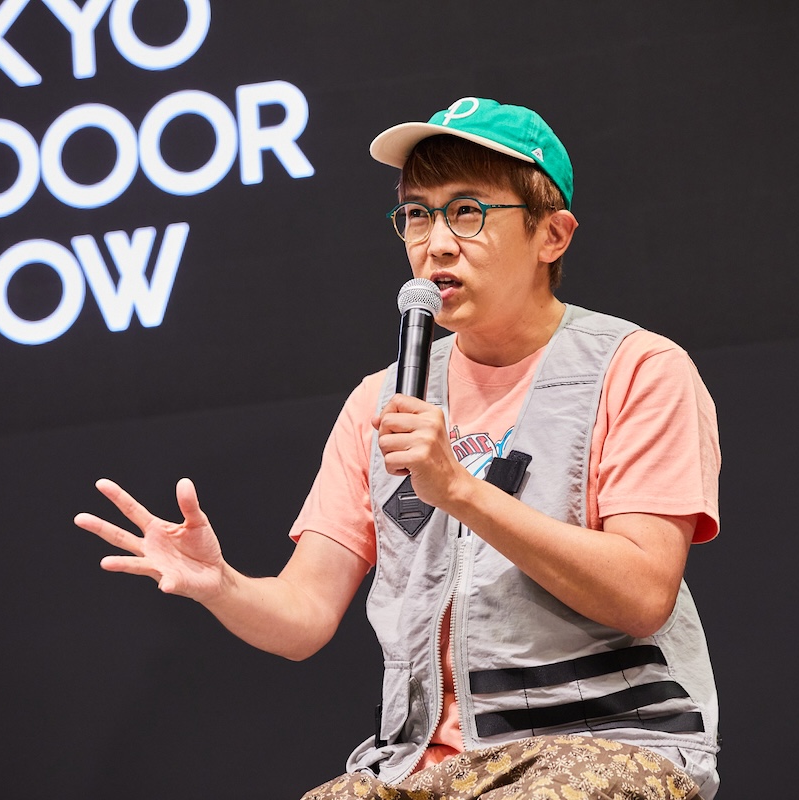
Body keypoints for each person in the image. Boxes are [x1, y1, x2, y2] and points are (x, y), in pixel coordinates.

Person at [76, 97, 722, 800]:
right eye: (417, 214)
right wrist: (221, 586)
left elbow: (642, 594)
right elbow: (304, 615)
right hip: (415, 766)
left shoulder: (637, 369)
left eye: (467, 211)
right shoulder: (378, 400)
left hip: (602, 745)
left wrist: (461, 490)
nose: (435, 243)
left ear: (552, 236)